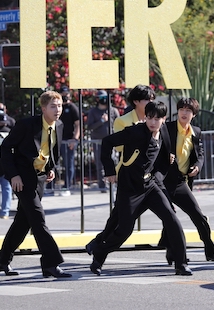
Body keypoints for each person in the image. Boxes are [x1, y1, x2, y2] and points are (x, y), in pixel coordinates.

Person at [89, 101, 192, 276]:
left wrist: (159, 177)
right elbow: (107, 142)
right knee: (124, 230)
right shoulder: (135, 132)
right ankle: (99, 254)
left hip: (150, 185)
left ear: (164, 119)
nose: (152, 122)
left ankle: (181, 264)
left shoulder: (165, 130)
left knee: (172, 219)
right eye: (149, 117)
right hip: (129, 188)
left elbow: (165, 158)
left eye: (157, 118)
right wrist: (109, 171)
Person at [0, 90, 72, 278]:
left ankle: (3, 260)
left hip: (39, 179)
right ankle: (51, 263)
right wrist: (13, 175)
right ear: (44, 108)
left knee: (22, 223)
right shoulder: (26, 125)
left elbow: (52, 149)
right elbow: (5, 148)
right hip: (22, 180)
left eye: (60, 106)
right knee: (38, 219)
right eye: (53, 106)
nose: (58, 110)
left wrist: (50, 168)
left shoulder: (59, 125)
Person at [84, 84, 155, 251]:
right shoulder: (123, 120)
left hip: (151, 175)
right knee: (121, 215)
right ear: (136, 101)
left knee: (167, 212)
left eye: (153, 99)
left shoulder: (155, 118)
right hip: (129, 173)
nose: (151, 102)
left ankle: (174, 252)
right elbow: (118, 147)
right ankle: (99, 245)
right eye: (148, 100)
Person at [158, 98, 214, 264]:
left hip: (180, 182)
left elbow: (200, 154)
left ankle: (209, 246)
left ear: (194, 114)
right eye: (182, 109)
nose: (184, 113)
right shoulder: (166, 128)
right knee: (170, 218)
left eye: (188, 110)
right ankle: (173, 252)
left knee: (198, 215)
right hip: (163, 181)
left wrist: (197, 166)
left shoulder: (196, 131)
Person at [47, 85, 80, 196]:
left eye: (67, 95)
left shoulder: (72, 107)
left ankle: (67, 187)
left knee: (68, 164)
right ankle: (49, 187)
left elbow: (78, 125)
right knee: (51, 163)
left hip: (68, 140)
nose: (65, 97)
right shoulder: (55, 108)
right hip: (55, 140)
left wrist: (75, 139)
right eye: (63, 95)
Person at [87, 90, 120, 192]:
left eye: (105, 98)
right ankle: (102, 186)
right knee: (100, 163)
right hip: (98, 141)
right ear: (97, 99)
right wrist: (101, 121)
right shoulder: (93, 112)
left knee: (114, 160)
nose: (104, 100)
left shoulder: (113, 111)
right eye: (101, 98)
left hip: (112, 141)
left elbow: (119, 123)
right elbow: (89, 127)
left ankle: (114, 183)